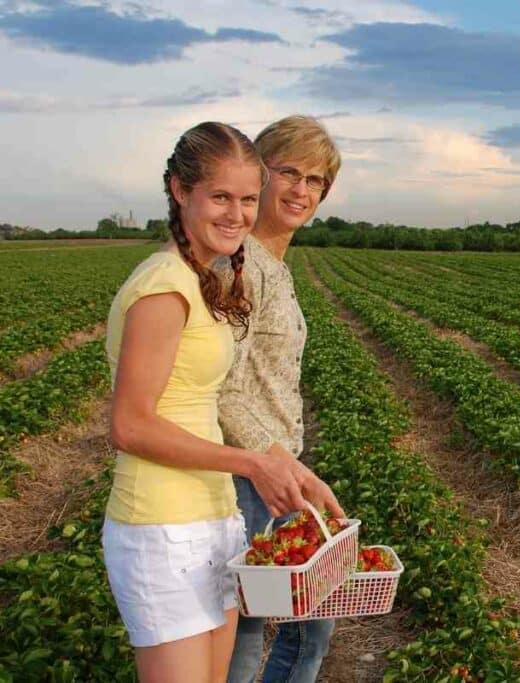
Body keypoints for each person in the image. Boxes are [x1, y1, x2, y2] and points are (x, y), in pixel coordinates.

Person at [101, 121, 327, 683]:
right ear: (180, 191)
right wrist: (258, 461)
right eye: (220, 197)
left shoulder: (205, 278)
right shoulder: (164, 286)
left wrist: (287, 467)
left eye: (247, 199)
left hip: (212, 514)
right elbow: (130, 425)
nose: (236, 214)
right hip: (160, 522)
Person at [219, 115, 343, 683]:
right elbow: (224, 389)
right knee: (250, 626)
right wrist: (276, 463)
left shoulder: (275, 267)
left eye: (315, 179)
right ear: (258, 176)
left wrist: (291, 468)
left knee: (310, 621)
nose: (301, 189)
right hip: (251, 477)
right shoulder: (239, 266)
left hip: (279, 470)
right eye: (287, 172)